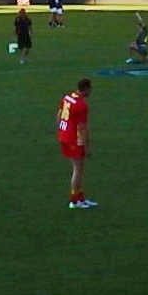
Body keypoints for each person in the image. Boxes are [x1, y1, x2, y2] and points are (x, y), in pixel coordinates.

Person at [56, 78, 96, 209]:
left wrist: (62, 131)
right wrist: (87, 147)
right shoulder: (81, 105)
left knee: (79, 169)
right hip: (74, 140)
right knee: (78, 170)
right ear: (86, 89)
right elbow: (83, 127)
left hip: (65, 137)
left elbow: (59, 115)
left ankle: (80, 198)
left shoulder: (67, 97)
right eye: (90, 88)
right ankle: (74, 201)